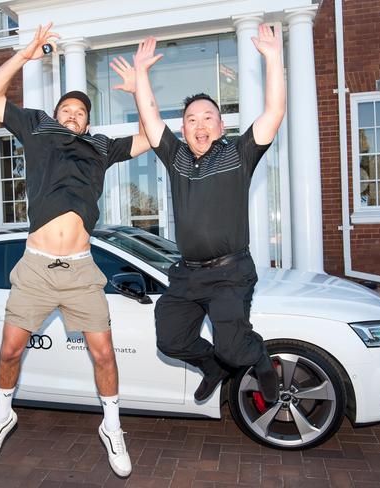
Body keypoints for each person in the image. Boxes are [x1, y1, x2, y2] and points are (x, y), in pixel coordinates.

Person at [0, 23, 150, 477]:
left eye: (79, 111)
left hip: (79, 270)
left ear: (87, 121)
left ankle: (111, 427)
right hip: (34, 269)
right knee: (10, 351)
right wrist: (24, 54)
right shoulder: (37, 127)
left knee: (104, 354)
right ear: (55, 115)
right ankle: (1, 415)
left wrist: (139, 87)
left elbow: (152, 136)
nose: (72, 115)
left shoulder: (100, 146)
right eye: (66, 109)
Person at [131, 27, 285, 404]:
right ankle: (210, 366)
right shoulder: (176, 157)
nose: (200, 124)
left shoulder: (239, 154)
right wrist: (141, 75)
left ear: (221, 125)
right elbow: (151, 120)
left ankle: (259, 358)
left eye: (207, 117)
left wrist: (272, 58)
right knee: (170, 338)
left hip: (230, 274)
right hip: (187, 274)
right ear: (183, 129)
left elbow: (274, 112)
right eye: (191, 119)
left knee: (235, 348)